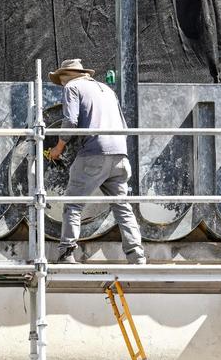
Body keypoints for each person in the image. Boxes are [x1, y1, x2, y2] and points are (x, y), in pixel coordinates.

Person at [46, 58, 146, 265]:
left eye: (60, 81)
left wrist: (58, 148)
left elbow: (71, 121)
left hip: (93, 153)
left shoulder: (72, 87)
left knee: (72, 204)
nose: (61, 85)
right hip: (120, 155)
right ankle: (137, 255)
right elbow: (124, 125)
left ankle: (66, 253)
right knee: (122, 206)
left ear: (66, 76)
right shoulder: (107, 90)